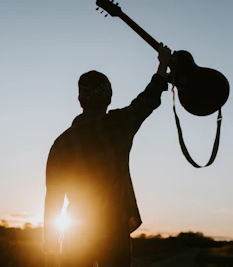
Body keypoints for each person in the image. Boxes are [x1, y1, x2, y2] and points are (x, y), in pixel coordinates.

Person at [43, 44, 171, 267]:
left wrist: (52, 243)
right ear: (109, 98)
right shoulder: (119, 124)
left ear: (80, 101)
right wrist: (163, 65)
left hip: (77, 235)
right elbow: (148, 100)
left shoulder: (61, 144)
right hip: (114, 232)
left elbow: (54, 196)